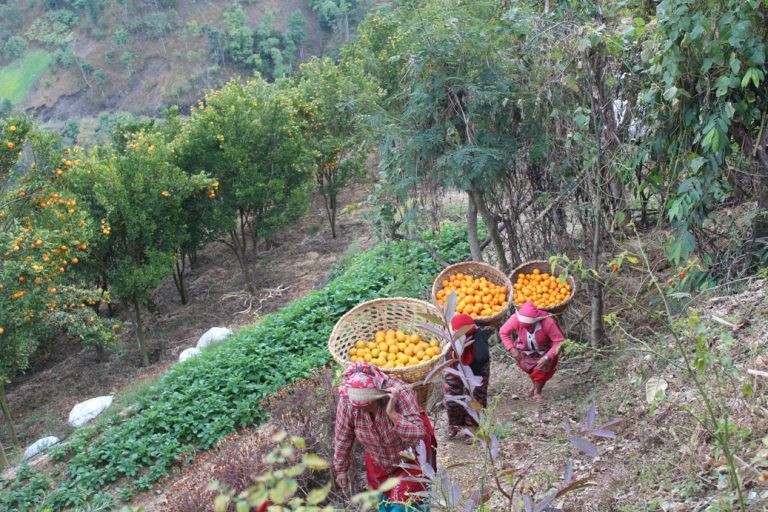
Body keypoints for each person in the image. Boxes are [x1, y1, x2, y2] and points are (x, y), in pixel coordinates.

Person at [333, 362, 437, 512]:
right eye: (358, 408)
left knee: (406, 507)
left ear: (376, 397)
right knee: (385, 507)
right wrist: (341, 469)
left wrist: (393, 414)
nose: (361, 411)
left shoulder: (400, 392)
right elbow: (343, 436)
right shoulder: (348, 400)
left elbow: (417, 434)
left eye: (366, 407)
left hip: (412, 458)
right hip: (379, 460)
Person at [498, 301, 565, 403]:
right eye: (524, 326)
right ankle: (535, 387)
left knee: (541, 370)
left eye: (530, 326)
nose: (527, 328)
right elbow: (503, 332)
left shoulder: (548, 322)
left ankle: (537, 392)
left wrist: (548, 357)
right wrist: (512, 348)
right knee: (529, 369)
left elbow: (558, 341)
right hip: (525, 349)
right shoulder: (516, 319)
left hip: (545, 351)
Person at [444, 313, 491, 440]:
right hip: (454, 365)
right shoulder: (450, 343)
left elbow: (480, 380)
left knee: (476, 396)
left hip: (477, 367)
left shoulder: (479, 346)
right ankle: (454, 424)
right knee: (451, 395)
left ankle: (472, 427)